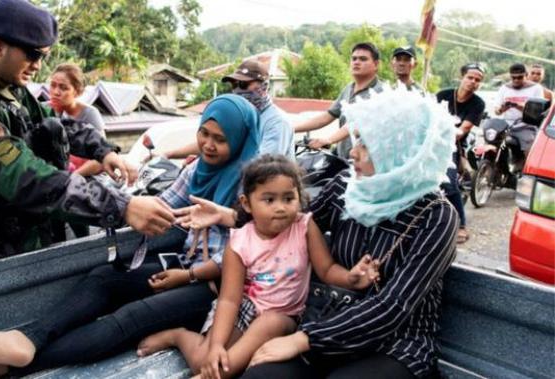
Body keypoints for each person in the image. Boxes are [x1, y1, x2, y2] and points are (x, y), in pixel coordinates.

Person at [0, 94, 263, 378]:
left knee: (128, 319)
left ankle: (9, 368)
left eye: (220, 139)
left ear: (240, 140)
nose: (208, 144)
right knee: (104, 278)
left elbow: (256, 252)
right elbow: (163, 208)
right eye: (203, 133)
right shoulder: (197, 170)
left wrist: (189, 273)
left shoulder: (255, 185)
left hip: (221, 288)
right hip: (185, 264)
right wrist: (118, 200)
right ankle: (27, 339)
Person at [178, 87, 459, 379]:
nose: (352, 151)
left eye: (366, 144)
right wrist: (230, 216)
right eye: (356, 140)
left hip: (395, 343)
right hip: (329, 320)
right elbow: (286, 222)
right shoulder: (346, 185)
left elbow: (393, 306)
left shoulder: (436, 216)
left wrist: (302, 339)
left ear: (400, 152)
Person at [0, 0, 174, 266]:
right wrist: (122, 206)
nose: (38, 65)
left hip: (27, 245)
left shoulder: (6, 89)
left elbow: (53, 123)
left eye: (43, 56)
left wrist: (102, 150)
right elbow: (25, 177)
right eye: (32, 54)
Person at [136, 155, 379, 378]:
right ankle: (179, 336)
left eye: (289, 198)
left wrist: (351, 278)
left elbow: (326, 270)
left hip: (285, 315)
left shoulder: (304, 227)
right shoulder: (239, 243)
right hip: (245, 306)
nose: (281, 207)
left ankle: (216, 374)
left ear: (299, 198)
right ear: (247, 203)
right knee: (204, 360)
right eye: (269, 199)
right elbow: (229, 300)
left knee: (267, 325)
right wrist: (217, 345)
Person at [161, 60, 295, 161]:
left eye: (243, 84)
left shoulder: (276, 123)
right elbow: (211, 144)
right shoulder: (239, 118)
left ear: (264, 86)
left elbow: (262, 165)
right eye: (234, 85)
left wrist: (208, 164)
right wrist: (168, 154)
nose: (237, 90)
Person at [295, 42, 385, 156]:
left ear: (376, 64)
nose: (357, 62)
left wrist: (329, 140)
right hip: (342, 159)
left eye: (363, 59)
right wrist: (291, 128)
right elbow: (327, 117)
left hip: (366, 165)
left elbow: (356, 125)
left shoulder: (380, 92)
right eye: (354, 59)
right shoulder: (348, 88)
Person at [436, 63, 486, 244]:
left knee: (448, 183)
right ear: (462, 77)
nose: (473, 82)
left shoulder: (478, 103)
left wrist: (444, 130)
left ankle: (461, 224)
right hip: (430, 141)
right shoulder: (443, 95)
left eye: (477, 80)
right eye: (470, 77)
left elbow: (462, 130)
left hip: (453, 144)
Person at [48, 63, 105, 178]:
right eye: (53, 85)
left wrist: (70, 179)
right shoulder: (43, 110)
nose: (56, 92)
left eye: (63, 88)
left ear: (78, 92)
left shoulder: (89, 114)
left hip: (83, 178)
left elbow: (101, 158)